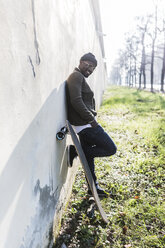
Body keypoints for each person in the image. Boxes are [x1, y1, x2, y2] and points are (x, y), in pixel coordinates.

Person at [66, 52, 117, 197]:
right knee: (110, 148)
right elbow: (76, 101)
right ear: (81, 62)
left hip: (83, 125)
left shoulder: (80, 77)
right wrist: (91, 120)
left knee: (89, 160)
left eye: (92, 67)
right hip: (86, 125)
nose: (89, 69)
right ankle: (75, 151)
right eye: (87, 65)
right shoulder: (76, 76)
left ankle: (93, 188)